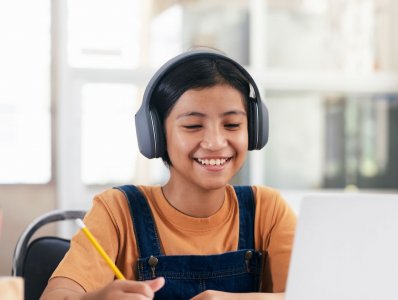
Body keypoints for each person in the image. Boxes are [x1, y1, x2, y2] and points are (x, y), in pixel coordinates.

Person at [41, 47, 297, 300]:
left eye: (232, 124)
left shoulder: (267, 210)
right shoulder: (117, 211)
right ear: (156, 135)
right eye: (193, 125)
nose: (216, 141)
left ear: (253, 129)